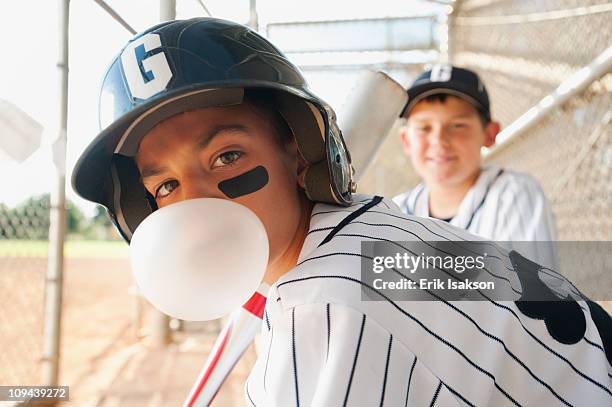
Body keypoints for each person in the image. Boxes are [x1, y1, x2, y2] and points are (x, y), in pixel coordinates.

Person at [72, 18, 611, 406]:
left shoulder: (325, 304)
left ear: (298, 150)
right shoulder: (370, 237)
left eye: (227, 156)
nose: (195, 203)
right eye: (164, 184)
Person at [393, 65, 557, 264]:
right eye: (424, 127)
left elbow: (533, 292)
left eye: (457, 125)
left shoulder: (513, 193)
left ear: (489, 133)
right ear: (406, 140)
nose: (439, 140)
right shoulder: (395, 211)